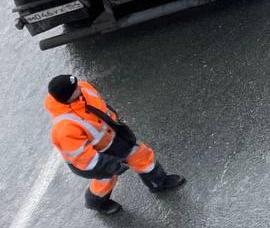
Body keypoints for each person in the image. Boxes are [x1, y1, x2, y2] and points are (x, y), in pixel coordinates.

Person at [45, 74, 185, 215]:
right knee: (106, 180)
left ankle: (159, 183)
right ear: (68, 97)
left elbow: (103, 106)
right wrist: (111, 165)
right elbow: (85, 159)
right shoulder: (64, 128)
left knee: (141, 156)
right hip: (95, 158)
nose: (80, 86)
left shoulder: (83, 89)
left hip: (114, 138)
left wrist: (119, 127)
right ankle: (97, 202)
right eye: (75, 88)